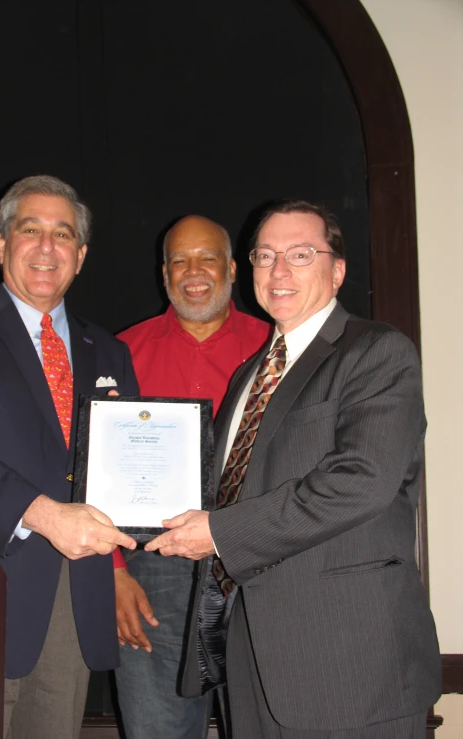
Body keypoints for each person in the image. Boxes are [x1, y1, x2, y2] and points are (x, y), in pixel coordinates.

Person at [145, 200, 442, 739]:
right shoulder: (249, 375)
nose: (278, 271)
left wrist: (217, 532)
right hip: (251, 655)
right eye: (265, 255)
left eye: (300, 254)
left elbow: (362, 482)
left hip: (349, 664)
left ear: (338, 270)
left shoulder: (376, 352)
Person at [0, 175, 139, 739]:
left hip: (74, 598)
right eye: (29, 229)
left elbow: (127, 462)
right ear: (0, 244)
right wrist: (43, 513)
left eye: (63, 235)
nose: (46, 247)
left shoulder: (108, 351)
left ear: (80, 256)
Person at [113, 215, 271, 739]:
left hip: (258, 565)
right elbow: (88, 475)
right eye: (179, 260)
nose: (193, 271)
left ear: (231, 268)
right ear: (164, 275)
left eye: (206, 258)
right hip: (151, 572)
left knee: (268, 723)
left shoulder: (278, 349)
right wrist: (112, 574)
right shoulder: (119, 353)